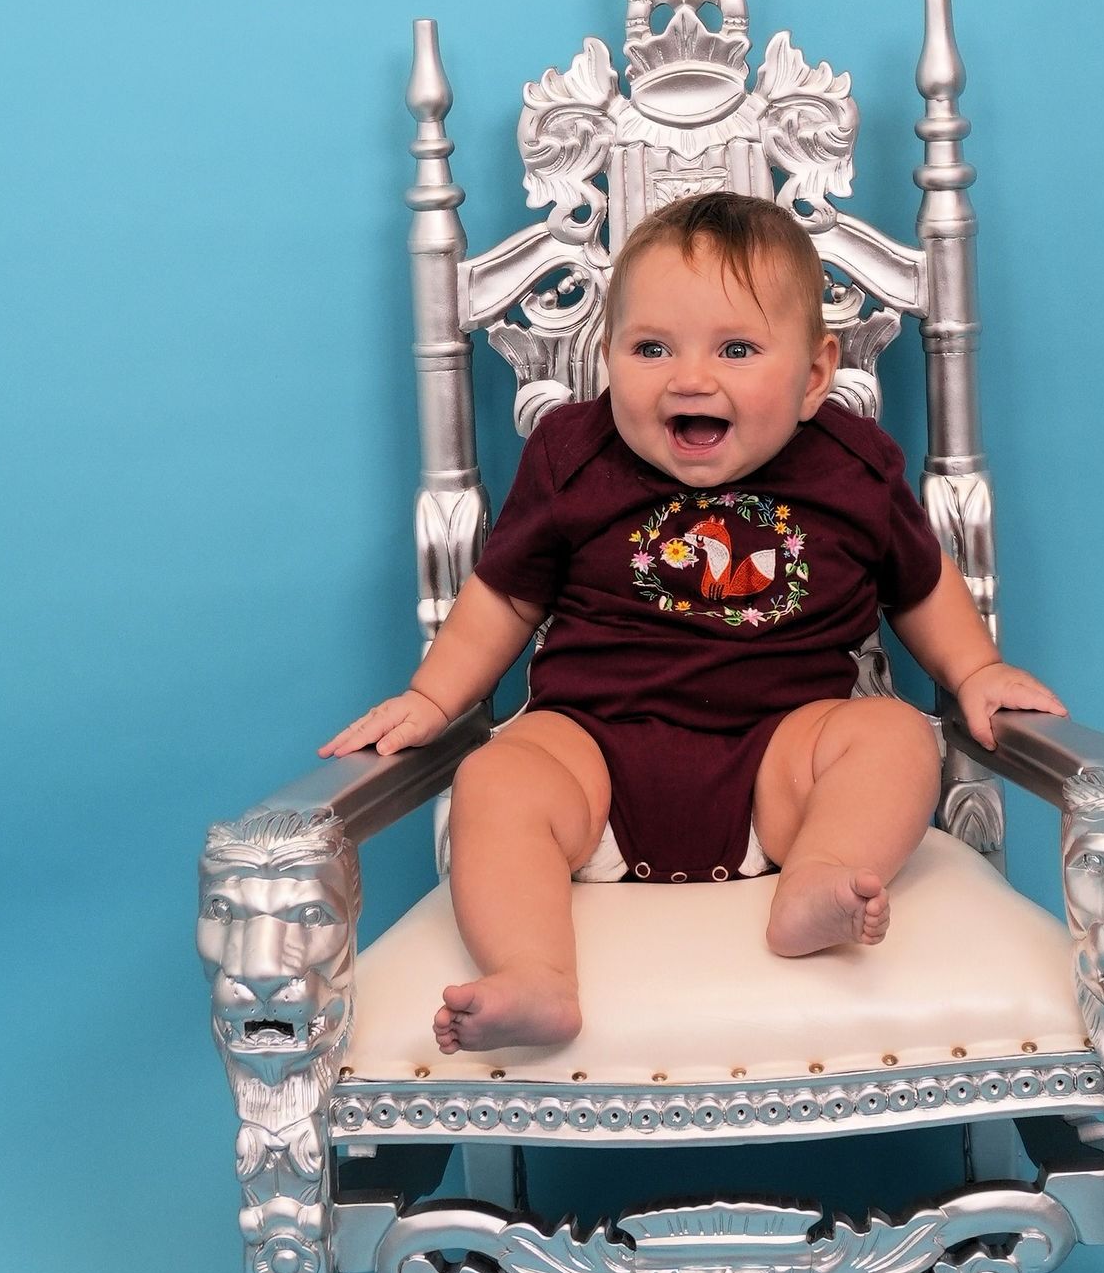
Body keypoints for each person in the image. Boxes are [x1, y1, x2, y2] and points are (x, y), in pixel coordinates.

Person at [319, 192, 1065, 1052]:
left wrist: (975, 671)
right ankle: (534, 972)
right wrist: (431, 696)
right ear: (607, 354)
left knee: (895, 737)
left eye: (736, 349)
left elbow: (921, 586)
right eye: (651, 348)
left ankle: (819, 878)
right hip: (593, 759)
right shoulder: (571, 455)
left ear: (814, 375)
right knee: (496, 778)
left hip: (780, 770)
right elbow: (504, 596)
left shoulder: (852, 467)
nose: (689, 378)